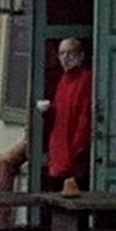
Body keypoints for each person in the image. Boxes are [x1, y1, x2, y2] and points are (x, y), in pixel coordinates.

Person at [40, 35, 94, 193]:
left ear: (81, 56)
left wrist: (76, 149)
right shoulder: (63, 80)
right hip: (59, 146)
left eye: (70, 53)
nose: (65, 58)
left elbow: (85, 117)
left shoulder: (85, 80)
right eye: (62, 53)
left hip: (73, 149)